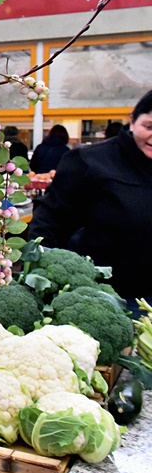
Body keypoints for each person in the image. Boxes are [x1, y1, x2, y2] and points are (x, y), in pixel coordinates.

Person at [29, 90, 152, 311]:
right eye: (149, 127)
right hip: (104, 298)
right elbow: (49, 222)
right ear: (132, 122)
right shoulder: (90, 162)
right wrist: (42, 277)